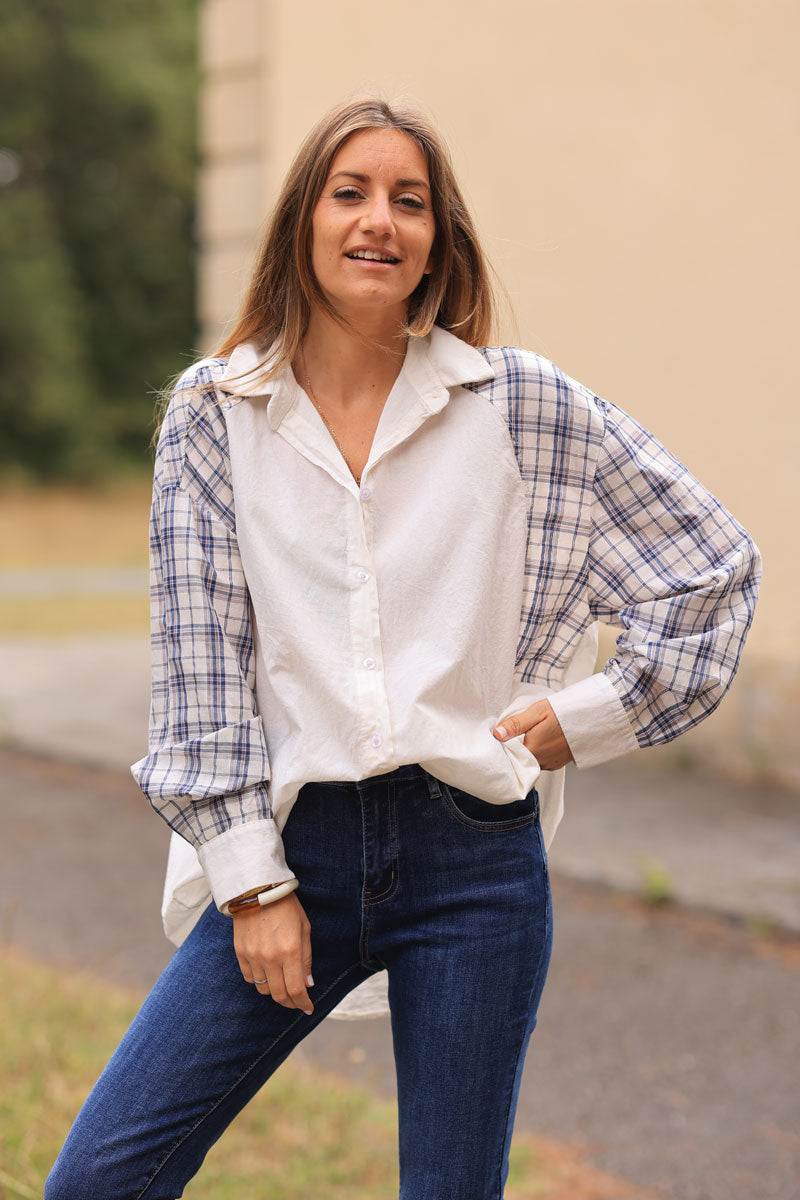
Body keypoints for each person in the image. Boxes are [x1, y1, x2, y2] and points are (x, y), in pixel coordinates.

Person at [45, 95, 761, 1199]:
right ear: (301, 222)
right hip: (297, 852)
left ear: (437, 239)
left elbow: (711, 566)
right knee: (100, 1178)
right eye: (350, 192)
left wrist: (587, 718)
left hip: (474, 861)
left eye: (409, 200)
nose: (378, 219)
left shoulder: (516, 404)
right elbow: (198, 678)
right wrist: (251, 887)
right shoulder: (214, 415)